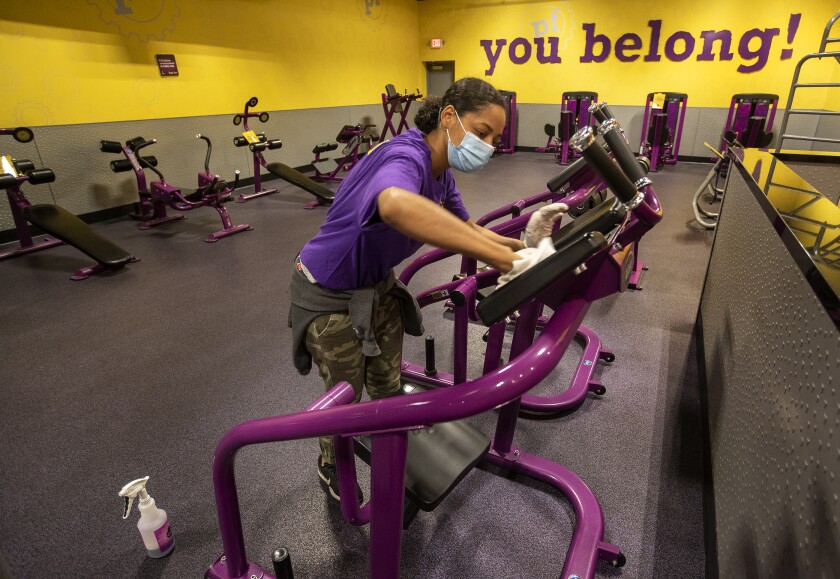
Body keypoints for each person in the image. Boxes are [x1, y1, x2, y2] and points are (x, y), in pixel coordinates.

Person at [288, 77, 565, 502]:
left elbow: (467, 230)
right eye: (482, 133)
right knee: (346, 399)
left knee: (387, 383)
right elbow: (395, 203)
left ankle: (390, 448)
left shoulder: (441, 172)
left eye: (494, 138)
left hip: (377, 286)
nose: (488, 146)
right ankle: (331, 464)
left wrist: (526, 247)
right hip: (328, 294)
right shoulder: (406, 156)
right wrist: (509, 262)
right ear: (449, 117)